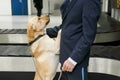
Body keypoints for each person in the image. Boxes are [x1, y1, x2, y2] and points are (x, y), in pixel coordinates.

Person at [46, 0, 101, 80]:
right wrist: (44, 32)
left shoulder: (89, 1)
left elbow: (88, 36)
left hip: (75, 62)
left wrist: (73, 59)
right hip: (65, 59)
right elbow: (67, 26)